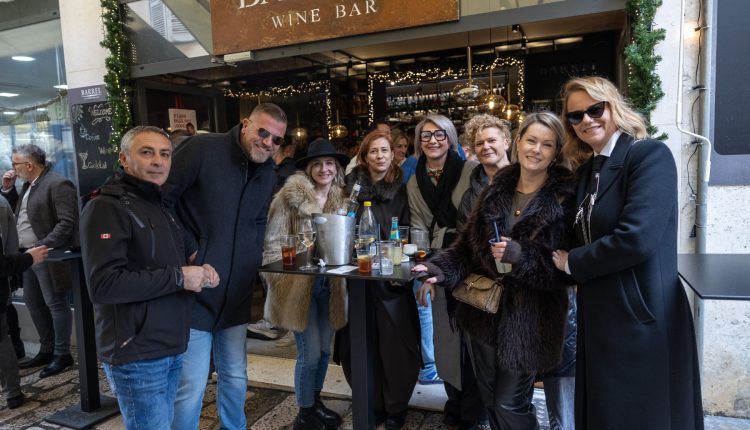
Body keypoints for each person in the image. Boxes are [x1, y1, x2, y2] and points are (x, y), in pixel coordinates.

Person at [552, 76, 704, 430]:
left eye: (595, 109)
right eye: (576, 116)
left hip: (641, 317)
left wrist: (573, 262)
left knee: (641, 416)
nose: (586, 120)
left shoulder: (648, 155)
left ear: (613, 107)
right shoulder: (588, 170)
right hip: (600, 315)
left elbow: (636, 238)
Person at [414, 112, 576, 429]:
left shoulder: (565, 197)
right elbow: (467, 246)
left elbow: (567, 268)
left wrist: (523, 255)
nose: (536, 150)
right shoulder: (497, 187)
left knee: (509, 403)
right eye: (531, 140)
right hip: (484, 313)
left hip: (531, 318)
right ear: (518, 142)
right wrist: (438, 268)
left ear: (556, 150)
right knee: (491, 402)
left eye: (547, 144)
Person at [80, 126, 220, 429]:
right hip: (137, 352)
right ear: (124, 159)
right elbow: (104, 285)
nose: (158, 161)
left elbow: (166, 260)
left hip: (169, 343)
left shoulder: (158, 203)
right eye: (147, 152)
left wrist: (198, 270)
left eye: (165, 154)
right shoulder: (105, 207)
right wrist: (179, 277)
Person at [165, 103, 287, 430]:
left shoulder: (268, 171)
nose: (268, 142)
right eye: (263, 132)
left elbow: (258, 221)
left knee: (235, 375)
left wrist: (253, 263)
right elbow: (162, 201)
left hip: (236, 292)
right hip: (194, 291)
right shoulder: (202, 148)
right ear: (245, 124)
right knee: (190, 383)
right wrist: (190, 249)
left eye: (276, 139)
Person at [261, 138, 349, 430]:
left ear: (336, 169)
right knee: (309, 353)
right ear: (309, 169)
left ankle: (315, 402)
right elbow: (272, 246)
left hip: (329, 286)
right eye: (318, 164)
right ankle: (304, 413)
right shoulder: (288, 198)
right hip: (299, 286)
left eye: (330, 164)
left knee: (323, 352)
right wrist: (286, 279)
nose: (324, 169)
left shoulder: (341, 200)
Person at [338, 130, 418, 429]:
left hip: (392, 277)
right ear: (364, 156)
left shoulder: (403, 187)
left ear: (393, 154)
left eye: (385, 150)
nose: (380, 156)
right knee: (359, 343)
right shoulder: (352, 188)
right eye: (374, 151)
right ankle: (370, 402)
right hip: (357, 277)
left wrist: (403, 271)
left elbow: (410, 230)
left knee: (395, 344)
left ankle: (396, 406)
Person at [406, 114, 482, 428]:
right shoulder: (415, 180)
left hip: (470, 258)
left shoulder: (470, 170)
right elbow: (417, 227)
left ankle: (474, 408)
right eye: (426, 135)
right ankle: (454, 402)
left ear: (450, 138)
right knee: (445, 337)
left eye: (439, 134)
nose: (433, 140)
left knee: (472, 337)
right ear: (418, 142)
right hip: (437, 260)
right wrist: (426, 270)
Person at [1, 144, 78, 378]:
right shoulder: (28, 184)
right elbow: (21, 214)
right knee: (33, 302)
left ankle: (62, 354)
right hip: (27, 256)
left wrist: (42, 245)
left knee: (55, 303)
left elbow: (67, 222)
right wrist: (8, 189)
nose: (13, 168)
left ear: (29, 165)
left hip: (46, 254)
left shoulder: (58, 184)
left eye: (15, 163)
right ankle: (47, 349)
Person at [458, 114, 512, 227]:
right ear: (474, 150)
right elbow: (463, 234)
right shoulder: (469, 197)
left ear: (506, 143)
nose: (486, 147)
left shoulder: (526, 181)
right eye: (479, 143)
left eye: (492, 140)